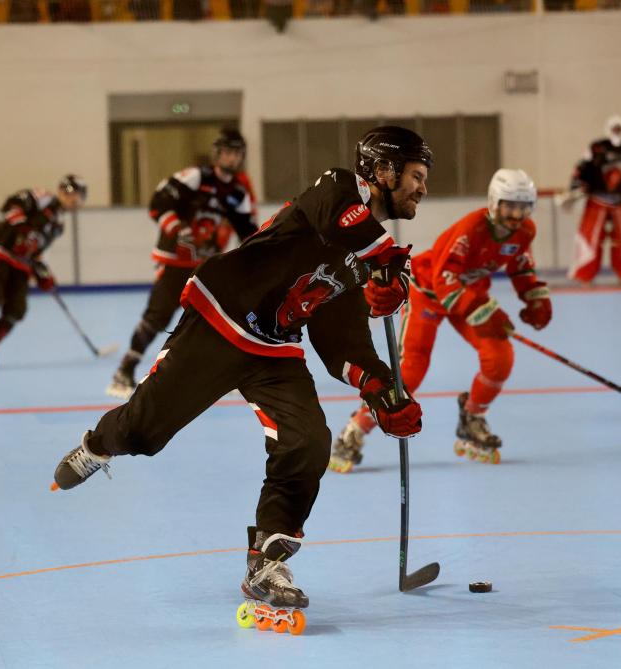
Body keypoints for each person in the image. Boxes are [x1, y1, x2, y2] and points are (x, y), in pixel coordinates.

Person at [52, 127, 432, 621]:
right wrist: (384, 260)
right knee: (143, 432)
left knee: (308, 441)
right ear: (383, 170)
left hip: (274, 346)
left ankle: (266, 561)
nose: (423, 188)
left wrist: (379, 386)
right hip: (222, 319)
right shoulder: (337, 189)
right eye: (416, 176)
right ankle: (100, 444)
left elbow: (341, 339)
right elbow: (340, 220)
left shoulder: (366, 257)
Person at [329, 169, 551, 472]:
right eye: (509, 205)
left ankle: (472, 417)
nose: (516, 214)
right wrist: (485, 314)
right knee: (412, 370)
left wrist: (535, 298)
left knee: (500, 357)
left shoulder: (525, 231)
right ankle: (355, 429)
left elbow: (521, 265)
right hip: (429, 292)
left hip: (468, 294)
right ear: (494, 202)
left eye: (523, 207)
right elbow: (444, 280)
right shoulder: (471, 229)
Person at [107, 128, 258, 398]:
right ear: (217, 154)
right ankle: (124, 370)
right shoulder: (197, 177)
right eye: (227, 152)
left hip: (204, 265)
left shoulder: (237, 193)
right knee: (157, 317)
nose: (232, 158)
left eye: (237, 153)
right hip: (175, 260)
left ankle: (219, 376)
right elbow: (158, 203)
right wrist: (179, 229)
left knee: (218, 318)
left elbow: (249, 232)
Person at [0, 175, 87, 370]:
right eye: (69, 192)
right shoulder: (44, 198)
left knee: (16, 309)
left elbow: (35, 251)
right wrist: (22, 230)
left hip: (20, 263)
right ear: (60, 191)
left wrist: (42, 273)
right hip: (1, 251)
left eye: (78, 195)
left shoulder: (58, 225)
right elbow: (12, 204)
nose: (72, 198)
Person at [565, 115, 621, 287]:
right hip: (597, 201)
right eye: (614, 127)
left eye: (619, 127)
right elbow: (581, 167)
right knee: (590, 238)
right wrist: (575, 186)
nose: (616, 130)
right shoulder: (596, 147)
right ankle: (585, 276)